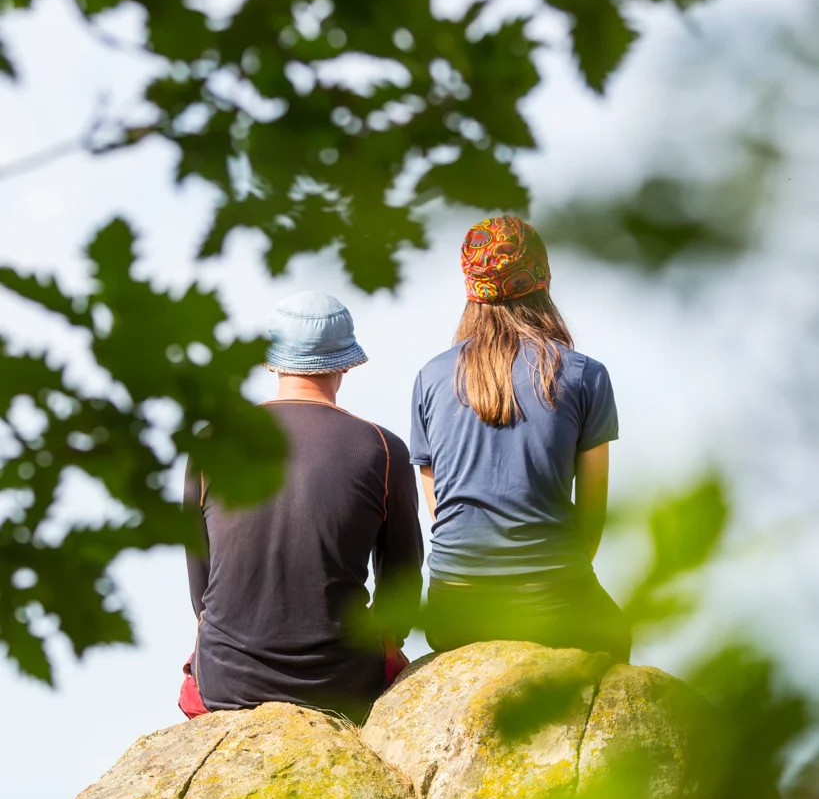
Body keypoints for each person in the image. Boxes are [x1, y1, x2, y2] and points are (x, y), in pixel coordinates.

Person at [180, 290, 424, 724]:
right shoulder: (383, 449)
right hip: (342, 683)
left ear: (272, 362)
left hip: (227, 681)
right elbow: (401, 584)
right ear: (347, 362)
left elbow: (201, 592)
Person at [410, 215, 631, 662]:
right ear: (542, 279)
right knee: (616, 636)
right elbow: (592, 515)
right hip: (552, 601)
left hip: (454, 610)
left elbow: (441, 507)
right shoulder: (585, 375)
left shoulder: (431, 377)